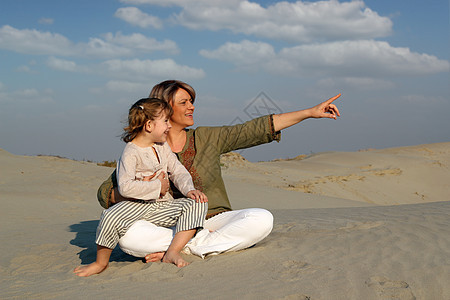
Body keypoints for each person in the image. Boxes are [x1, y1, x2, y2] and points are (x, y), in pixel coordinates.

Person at [97, 80, 341, 261]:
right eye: (184, 102)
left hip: (214, 221)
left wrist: (309, 113)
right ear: (164, 109)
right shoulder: (144, 147)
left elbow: (252, 129)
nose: (191, 107)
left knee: (261, 219)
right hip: (168, 225)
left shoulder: (207, 137)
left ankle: (180, 248)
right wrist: (148, 187)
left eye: (192, 101)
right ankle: (188, 246)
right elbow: (105, 193)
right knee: (128, 238)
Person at [74, 98, 208, 276]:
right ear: (149, 125)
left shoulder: (162, 146)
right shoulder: (130, 152)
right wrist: (157, 186)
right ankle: (100, 263)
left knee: (197, 203)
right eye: (165, 121)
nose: (169, 126)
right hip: (136, 206)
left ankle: (172, 251)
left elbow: (177, 170)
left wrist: (189, 189)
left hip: (162, 205)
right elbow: (125, 187)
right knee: (109, 216)